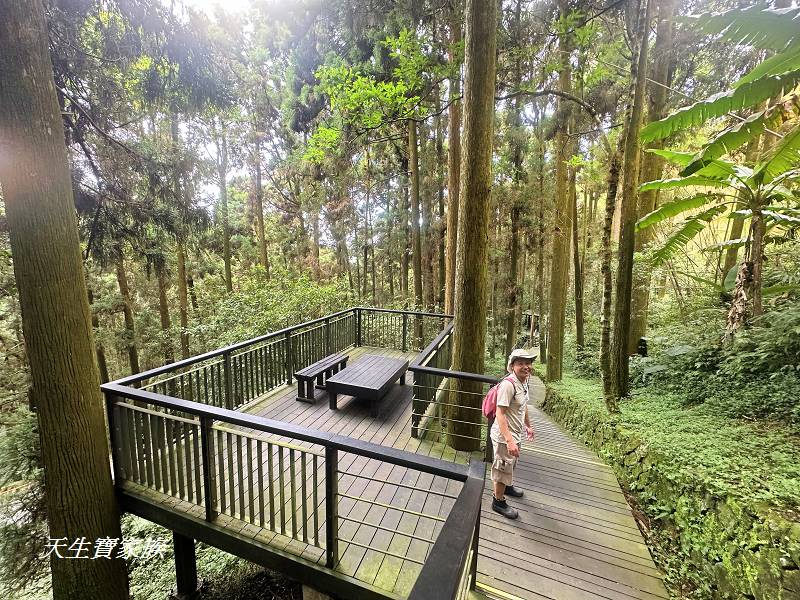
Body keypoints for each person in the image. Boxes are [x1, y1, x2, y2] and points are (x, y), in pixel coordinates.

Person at [490, 348, 536, 519]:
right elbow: (500, 413)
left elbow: (523, 407)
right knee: (502, 467)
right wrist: (509, 441)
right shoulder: (508, 385)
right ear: (512, 366)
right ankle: (498, 501)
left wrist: (528, 426)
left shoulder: (523, 382)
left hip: (515, 433)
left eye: (528, 363)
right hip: (504, 436)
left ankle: (506, 487)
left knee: (511, 463)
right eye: (521, 363)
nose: (526, 366)